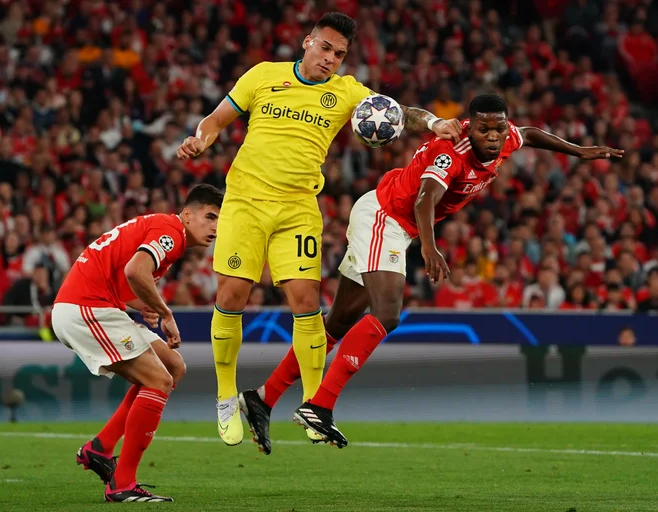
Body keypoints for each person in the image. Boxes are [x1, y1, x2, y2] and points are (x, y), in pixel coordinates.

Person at [239, 93, 624, 451]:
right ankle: (320, 406)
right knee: (386, 314)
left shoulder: (506, 139)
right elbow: (425, 199)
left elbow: (531, 134)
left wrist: (578, 152)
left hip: (394, 223)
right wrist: (429, 246)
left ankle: (262, 397)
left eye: (498, 128)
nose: (493, 136)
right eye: (483, 129)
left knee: (337, 324)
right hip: (385, 218)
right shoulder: (451, 152)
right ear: (467, 127)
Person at [176, 12, 463, 450]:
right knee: (232, 295)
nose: (331, 59)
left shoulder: (346, 92)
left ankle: (313, 405)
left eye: (340, 54)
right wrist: (200, 140)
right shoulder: (263, 76)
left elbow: (396, 110)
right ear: (308, 41)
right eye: (326, 48)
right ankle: (224, 398)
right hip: (245, 202)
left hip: (298, 208)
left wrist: (434, 124)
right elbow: (215, 120)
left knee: (307, 303)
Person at [51, 184, 223, 503]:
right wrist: (163, 311)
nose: (215, 227)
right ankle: (122, 483)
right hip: (85, 307)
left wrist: (139, 303)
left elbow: (123, 276)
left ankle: (100, 448)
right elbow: (135, 270)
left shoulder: (161, 227)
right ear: (187, 214)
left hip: (97, 304)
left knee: (173, 366)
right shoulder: (171, 231)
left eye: (219, 221)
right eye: (210, 216)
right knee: (158, 380)